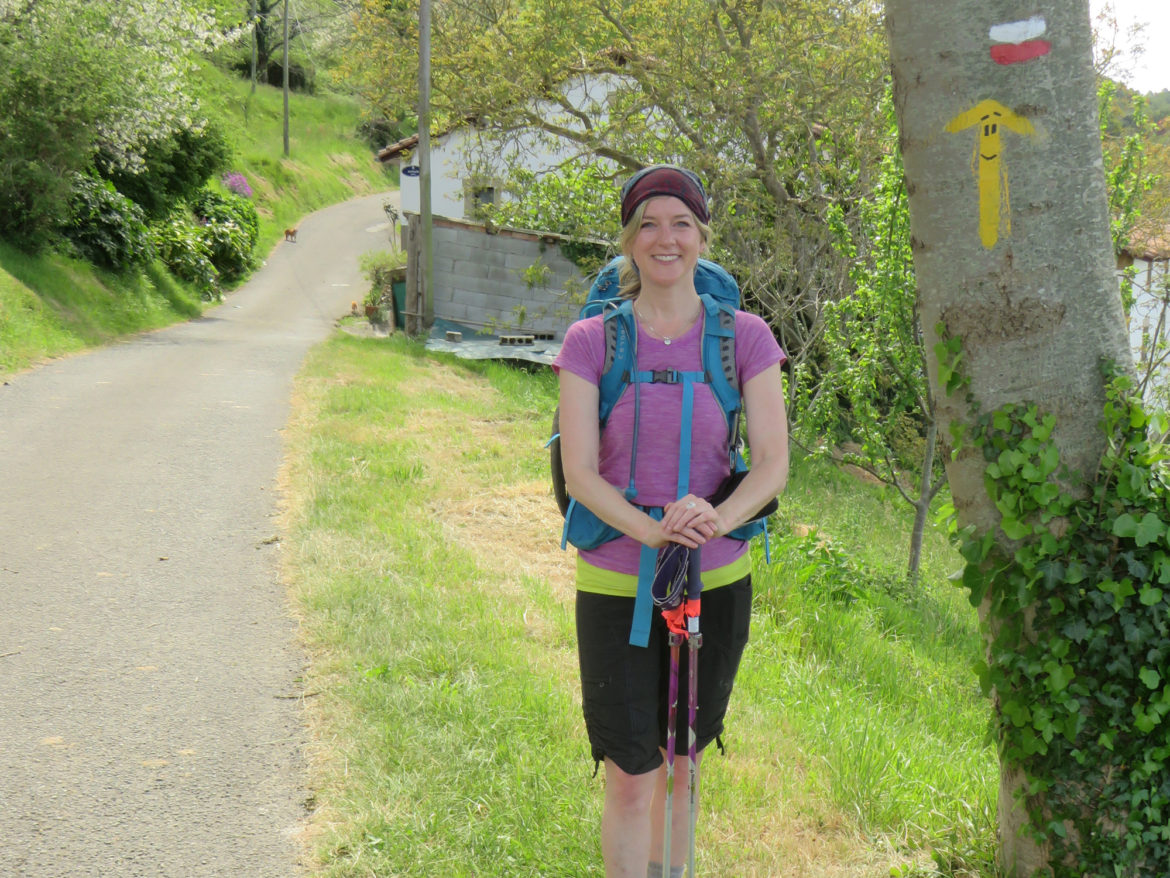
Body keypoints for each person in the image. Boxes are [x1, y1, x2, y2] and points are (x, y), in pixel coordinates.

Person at [553, 165, 789, 878]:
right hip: (616, 582)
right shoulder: (591, 341)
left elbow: (773, 466)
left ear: (702, 237)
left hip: (713, 582)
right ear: (629, 240)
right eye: (648, 224)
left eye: (681, 223)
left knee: (684, 765)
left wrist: (711, 518)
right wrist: (654, 532)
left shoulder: (745, 337)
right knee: (631, 773)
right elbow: (580, 474)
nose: (666, 239)